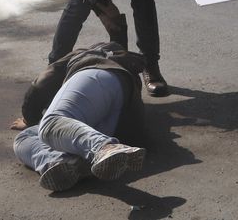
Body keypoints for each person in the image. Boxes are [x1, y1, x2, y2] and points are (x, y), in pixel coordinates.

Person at [12, 42, 147, 192]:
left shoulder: (86, 52)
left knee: (50, 125)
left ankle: (104, 147)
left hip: (95, 75)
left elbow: (43, 82)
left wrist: (28, 118)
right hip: (125, 117)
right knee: (25, 137)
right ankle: (67, 162)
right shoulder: (129, 70)